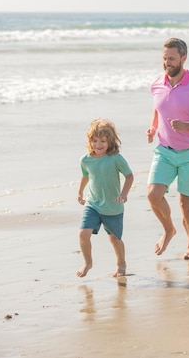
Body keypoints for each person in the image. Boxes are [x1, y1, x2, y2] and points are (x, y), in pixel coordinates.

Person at [146, 38, 189, 260]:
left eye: (172, 58)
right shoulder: (156, 84)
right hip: (165, 150)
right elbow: (158, 109)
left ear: (184, 58)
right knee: (153, 195)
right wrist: (153, 127)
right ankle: (169, 230)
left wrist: (186, 127)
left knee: (186, 204)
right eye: (165, 58)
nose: (167, 63)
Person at [77, 118, 134, 278]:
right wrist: (80, 192)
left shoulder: (115, 158)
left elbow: (129, 176)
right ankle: (88, 262)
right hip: (93, 204)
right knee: (83, 234)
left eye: (103, 141)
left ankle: (121, 264)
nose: (98, 144)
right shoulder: (85, 159)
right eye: (94, 141)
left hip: (113, 206)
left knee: (114, 238)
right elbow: (85, 176)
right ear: (90, 141)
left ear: (111, 141)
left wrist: (124, 193)